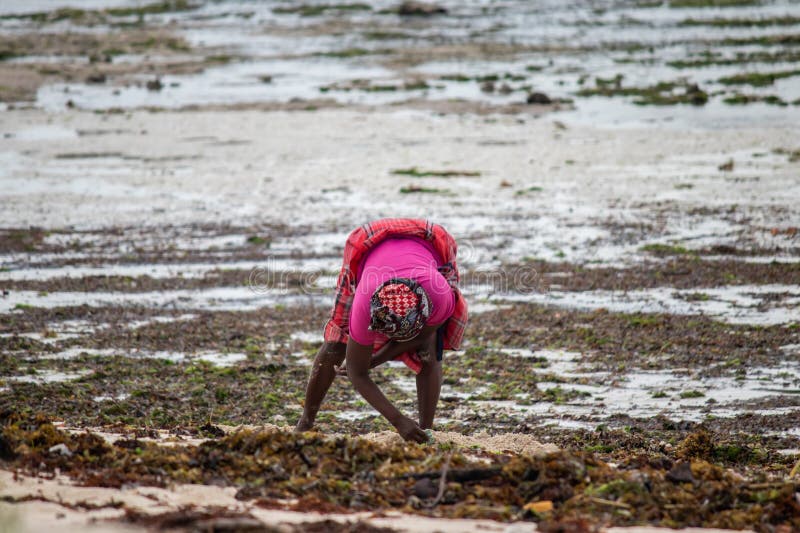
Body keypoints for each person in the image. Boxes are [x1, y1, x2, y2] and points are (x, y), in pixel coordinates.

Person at [295, 218, 468, 443]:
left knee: (429, 348)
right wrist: (398, 421)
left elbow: (426, 333)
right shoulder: (364, 302)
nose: (390, 339)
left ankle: (426, 431)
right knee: (337, 342)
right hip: (368, 241)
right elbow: (358, 374)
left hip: (430, 239)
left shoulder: (440, 295)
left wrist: (377, 358)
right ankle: (305, 422)